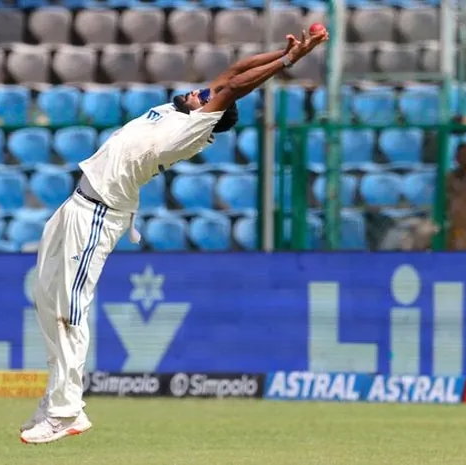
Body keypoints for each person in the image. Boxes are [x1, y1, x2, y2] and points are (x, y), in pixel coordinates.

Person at [19, 27, 330, 445]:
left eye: (206, 97)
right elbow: (232, 72)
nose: (199, 92)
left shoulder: (192, 128)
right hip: (75, 204)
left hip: (97, 215)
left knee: (69, 310)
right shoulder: (178, 109)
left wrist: (291, 62)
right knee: (45, 297)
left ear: (211, 114)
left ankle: (67, 412)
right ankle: (57, 398)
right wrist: (283, 50)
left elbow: (234, 87)